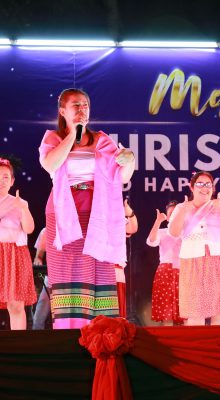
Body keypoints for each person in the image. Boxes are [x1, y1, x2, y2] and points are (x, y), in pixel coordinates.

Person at [38, 88, 135, 329]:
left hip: (97, 213)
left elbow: (122, 176)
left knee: (98, 269)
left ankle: (100, 333)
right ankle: (68, 331)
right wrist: (73, 133)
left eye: (85, 105)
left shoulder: (101, 140)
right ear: (63, 111)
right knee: (68, 272)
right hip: (64, 213)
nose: (82, 110)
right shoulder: (53, 138)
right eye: (76, 105)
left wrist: (129, 160)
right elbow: (50, 164)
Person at [168, 171, 220, 326]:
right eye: (200, 184)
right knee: (196, 310)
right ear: (192, 187)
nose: (204, 188)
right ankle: (197, 342)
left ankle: (219, 341)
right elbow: (174, 233)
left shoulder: (219, 205)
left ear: (213, 188)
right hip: (193, 260)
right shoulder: (182, 207)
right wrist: (183, 211)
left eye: (208, 184)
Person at [0, 157, 37, 329]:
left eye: (5, 177)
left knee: (15, 305)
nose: (1, 181)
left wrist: (23, 208)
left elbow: (29, 229)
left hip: (14, 256)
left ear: (12, 181)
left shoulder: (19, 203)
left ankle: (19, 341)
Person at [146, 200, 183, 326]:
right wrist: (157, 222)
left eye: (177, 212)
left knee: (186, 310)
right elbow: (151, 241)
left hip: (184, 271)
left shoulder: (188, 232)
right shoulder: (162, 232)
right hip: (166, 271)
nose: (174, 215)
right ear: (167, 217)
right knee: (167, 311)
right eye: (171, 213)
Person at [115, 198, 138, 318]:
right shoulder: (93, 218)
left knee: (117, 312)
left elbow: (132, 228)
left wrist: (130, 213)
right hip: (96, 269)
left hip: (115, 269)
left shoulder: (116, 218)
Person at [32, 227, 51, 330]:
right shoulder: (46, 231)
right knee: (38, 318)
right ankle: (36, 338)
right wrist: (38, 260)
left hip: (72, 280)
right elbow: (38, 256)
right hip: (51, 279)